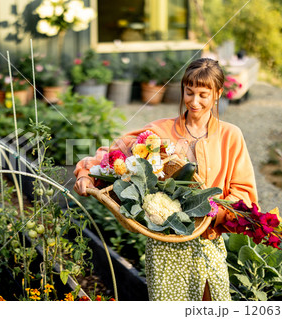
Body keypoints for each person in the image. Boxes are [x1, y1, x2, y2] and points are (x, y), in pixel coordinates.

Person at [73, 58, 258, 301]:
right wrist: (86, 175)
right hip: (165, 244)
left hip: (207, 243)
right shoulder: (159, 132)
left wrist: (214, 213)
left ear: (218, 94)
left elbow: (244, 191)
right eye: (189, 92)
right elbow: (111, 156)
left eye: (203, 94)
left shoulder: (230, 136)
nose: (194, 101)